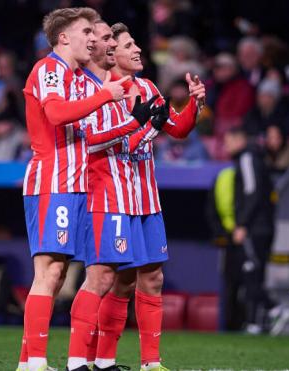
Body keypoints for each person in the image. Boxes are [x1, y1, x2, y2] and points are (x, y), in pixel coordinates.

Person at [16, 7, 132, 371]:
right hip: (53, 180)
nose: (93, 39)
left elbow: (86, 136)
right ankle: (34, 364)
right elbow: (54, 115)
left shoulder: (74, 76)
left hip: (73, 183)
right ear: (64, 37)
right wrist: (106, 96)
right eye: (86, 32)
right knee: (49, 272)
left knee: (58, 273)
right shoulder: (49, 69)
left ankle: (28, 361)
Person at [88, 22, 204, 371]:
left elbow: (177, 129)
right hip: (114, 199)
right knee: (116, 280)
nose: (138, 50)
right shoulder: (103, 90)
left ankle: (151, 363)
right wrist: (148, 128)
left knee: (152, 277)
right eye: (128, 45)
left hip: (146, 198)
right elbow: (116, 146)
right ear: (113, 54)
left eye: (137, 43)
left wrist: (195, 105)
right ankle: (97, 359)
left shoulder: (149, 86)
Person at [64, 19, 163, 371]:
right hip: (103, 195)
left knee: (124, 279)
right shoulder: (91, 87)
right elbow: (94, 141)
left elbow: (128, 141)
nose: (110, 45)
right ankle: (77, 362)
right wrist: (139, 124)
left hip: (132, 196)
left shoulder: (128, 88)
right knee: (101, 276)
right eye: (107, 39)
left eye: (110, 38)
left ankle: (104, 362)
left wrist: (150, 126)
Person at [219, 127, 281, 334]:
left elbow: (252, 193)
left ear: (239, 139)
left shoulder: (247, 158)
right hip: (261, 226)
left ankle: (274, 309)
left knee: (251, 272)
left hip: (256, 228)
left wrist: (242, 224)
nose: (225, 146)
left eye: (228, 141)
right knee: (253, 273)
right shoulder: (253, 157)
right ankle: (254, 322)